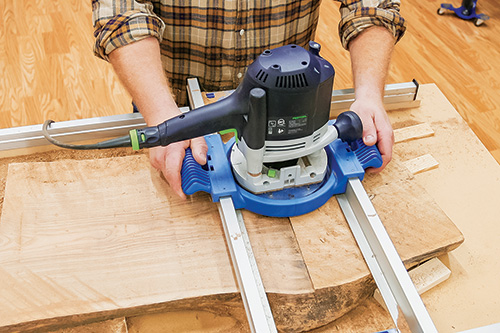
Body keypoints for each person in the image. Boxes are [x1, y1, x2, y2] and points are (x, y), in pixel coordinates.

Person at [92, 0, 406, 198]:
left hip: (294, 108)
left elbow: (371, 5)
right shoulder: (168, 114)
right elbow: (121, 13)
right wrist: (162, 112)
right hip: (174, 112)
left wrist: (368, 93)